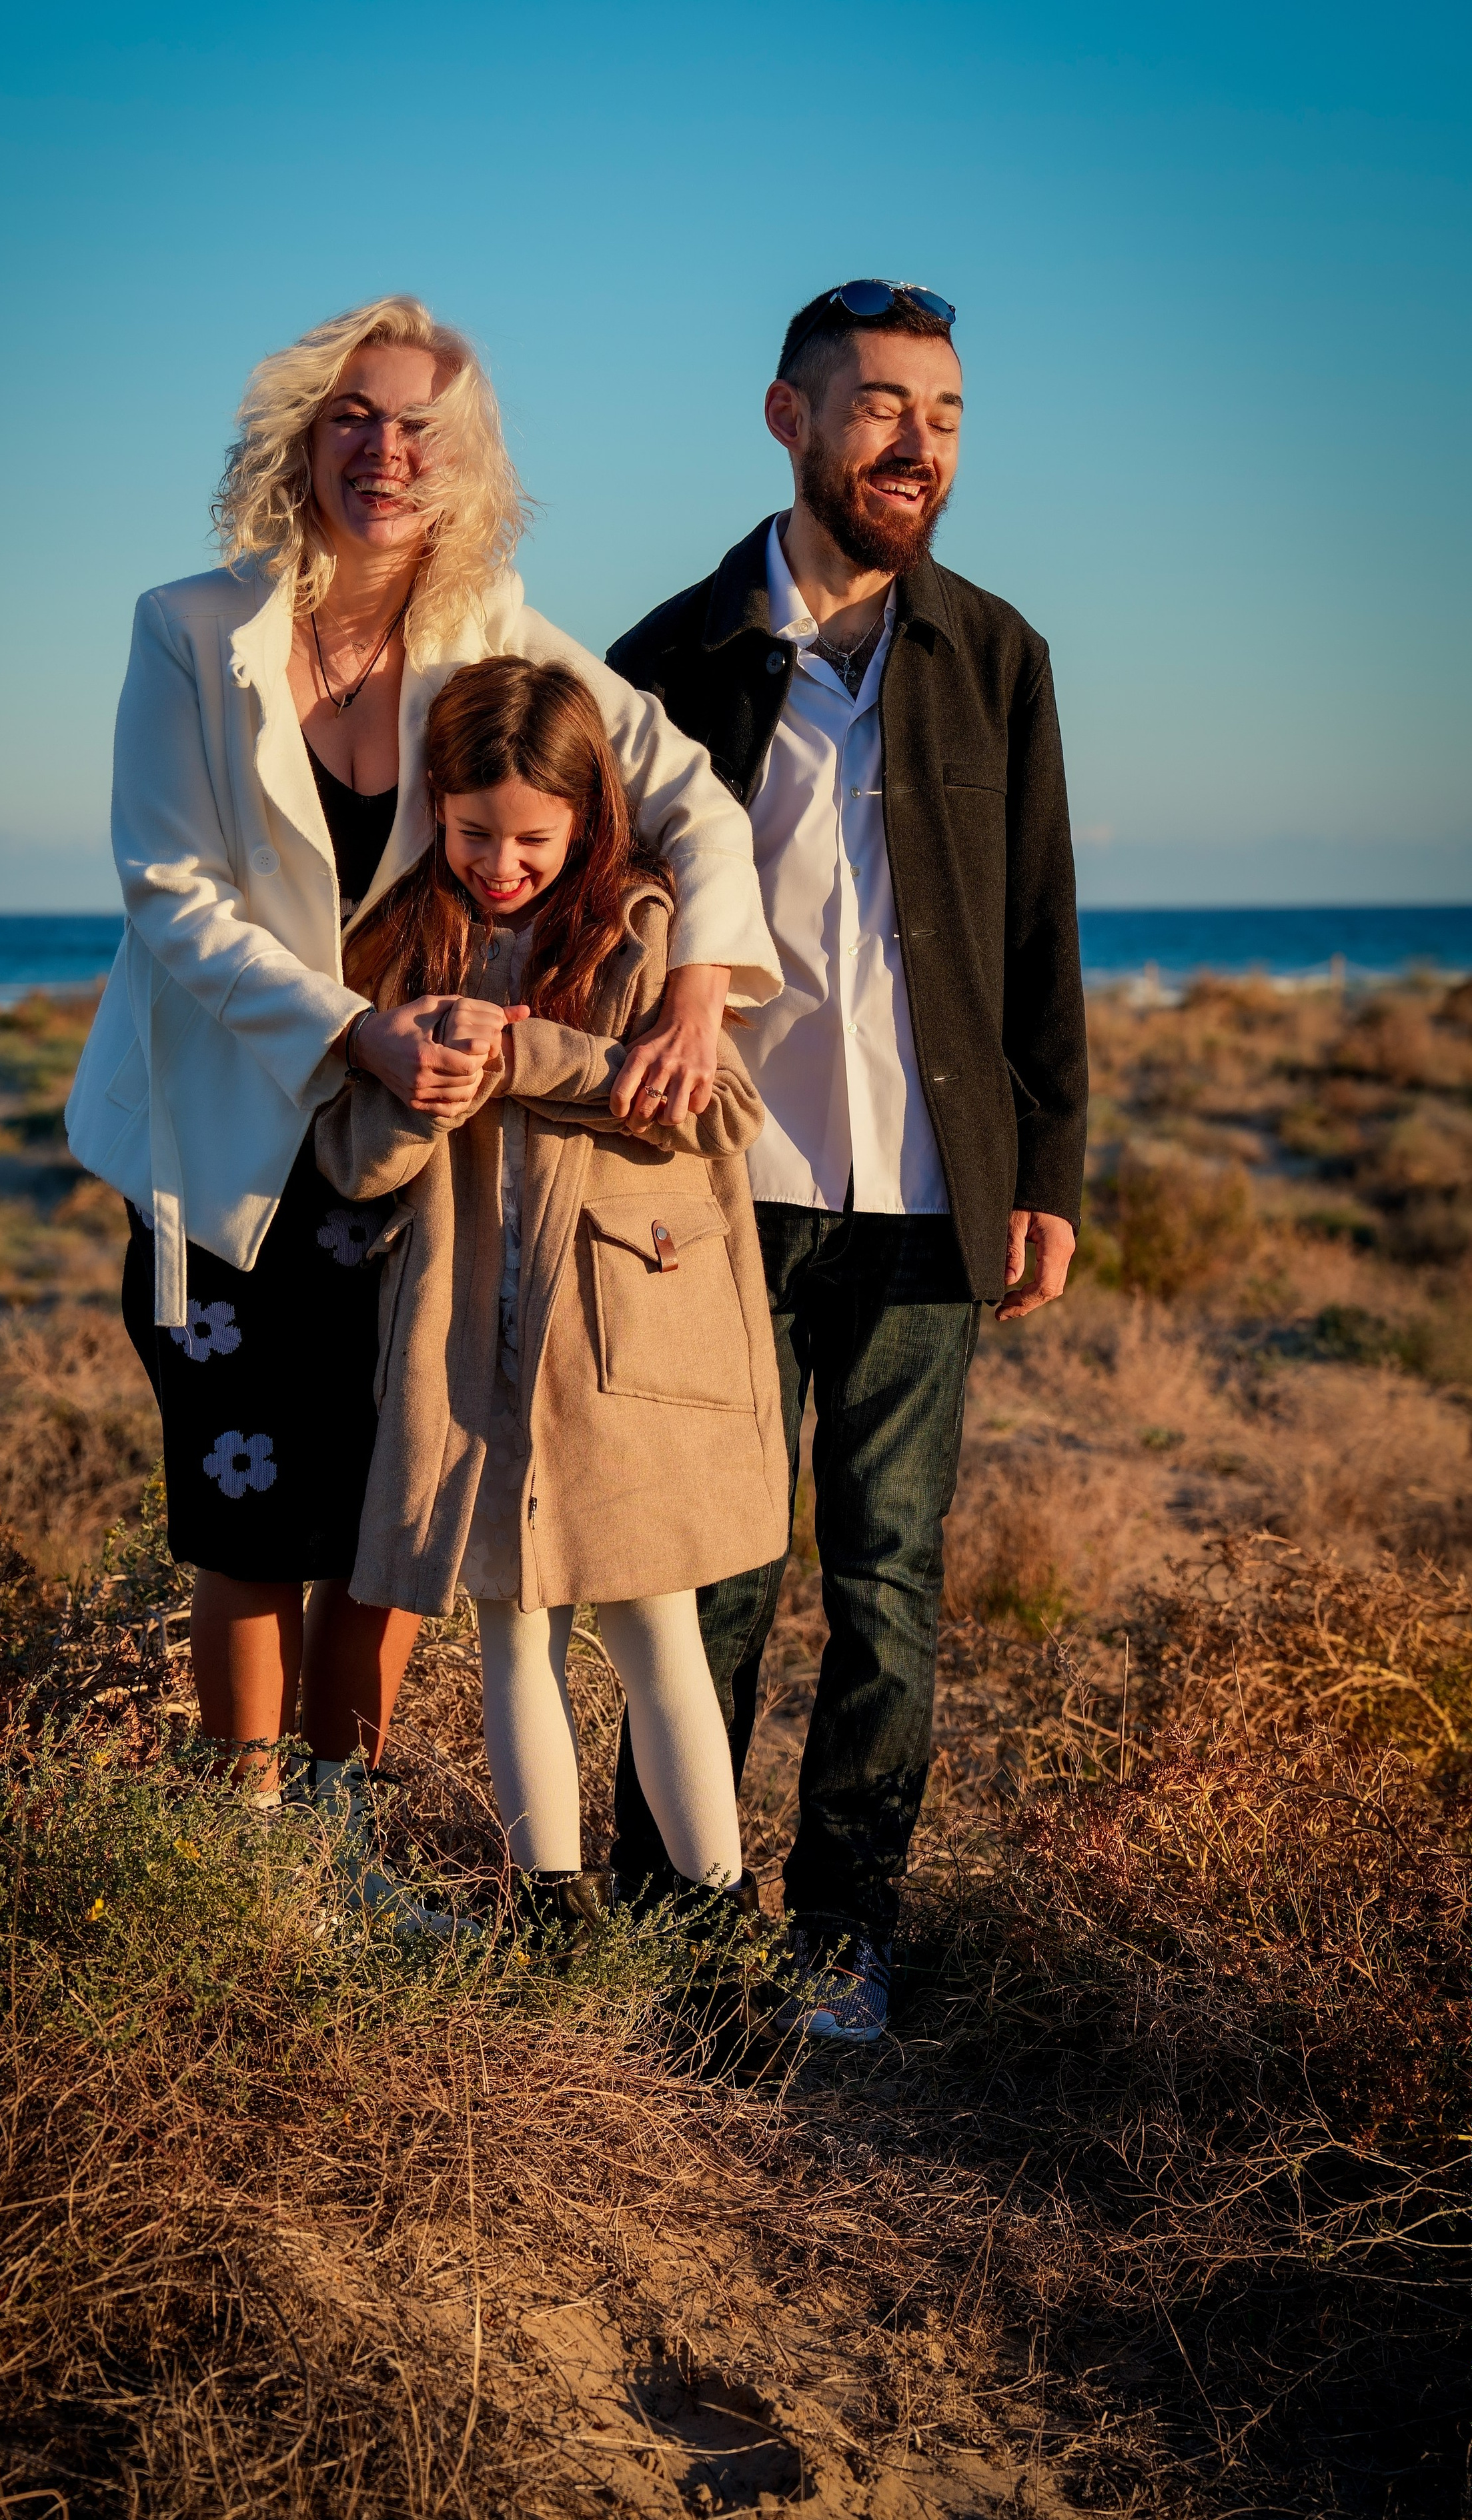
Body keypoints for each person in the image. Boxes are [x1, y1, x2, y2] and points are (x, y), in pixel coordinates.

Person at [64, 296, 780, 1826]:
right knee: (245, 1511)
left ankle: (339, 1841)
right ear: (299, 440)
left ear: (461, 465)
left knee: (384, 1510)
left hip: (395, 1158)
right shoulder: (189, 629)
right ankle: (247, 1847)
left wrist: (698, 992)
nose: (383, 453)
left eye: (418, 430)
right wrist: (352, 1027)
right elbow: (165, 890)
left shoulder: (488, 627)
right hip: (219, 1149)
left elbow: (691, 800)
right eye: (352, 418)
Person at [604, 280, 1089, 2040]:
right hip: (714, 1200)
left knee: (889, 1584)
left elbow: (1042, 930)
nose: (919, 441)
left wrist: (1049, 1168)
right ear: (788, 418)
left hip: (930, 1199)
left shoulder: (1000, 657)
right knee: (706, 1577)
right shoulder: (664, 661)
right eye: (882, 405)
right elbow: (588, 916)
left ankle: (844, 1933)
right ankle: (668, 1931)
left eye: (947, 413)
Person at [315, 654, 790, 1937]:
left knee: (655, 1634)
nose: (503, 863)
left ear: (589, 819)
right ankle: (555, 1921)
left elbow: (723, 1108)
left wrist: (531, 1054)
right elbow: (352, 1160)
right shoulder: (406, 939)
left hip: (618, 1350)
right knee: (512, 1632)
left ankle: (716, 1931)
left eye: (533, 837)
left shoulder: (641, 928)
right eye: (474, 833)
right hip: (468, 1354)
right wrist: (422, 1095)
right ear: (436, 809)